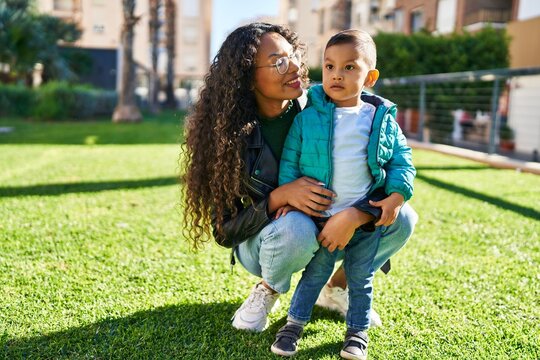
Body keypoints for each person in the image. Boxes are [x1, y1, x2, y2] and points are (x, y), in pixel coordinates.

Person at [182, 23, 417, 335]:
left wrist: (357, 214)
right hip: (271, 239)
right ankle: (268, 290)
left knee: (403, 219)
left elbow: (382, 150)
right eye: (279, 61)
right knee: (296, 228)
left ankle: (337, 288)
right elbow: (224, 230)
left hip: (336, 221)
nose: (295, 66)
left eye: (292, 55)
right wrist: (281, 197)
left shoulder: (320, 106)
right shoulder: (229, 136)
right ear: (248, 77)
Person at [270, 29, 416, 360]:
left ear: (370, 76)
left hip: (365, 219)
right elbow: (291, 161)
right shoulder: (308, 116)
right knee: (314, 274)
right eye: (330, 66)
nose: (337, 75)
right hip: (322, 217)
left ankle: (356, 334)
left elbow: (402, 163)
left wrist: (397, 195)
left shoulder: (381, 119)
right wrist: (290, 198)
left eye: (350, 67)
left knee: (361, 278)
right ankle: (293, 325)